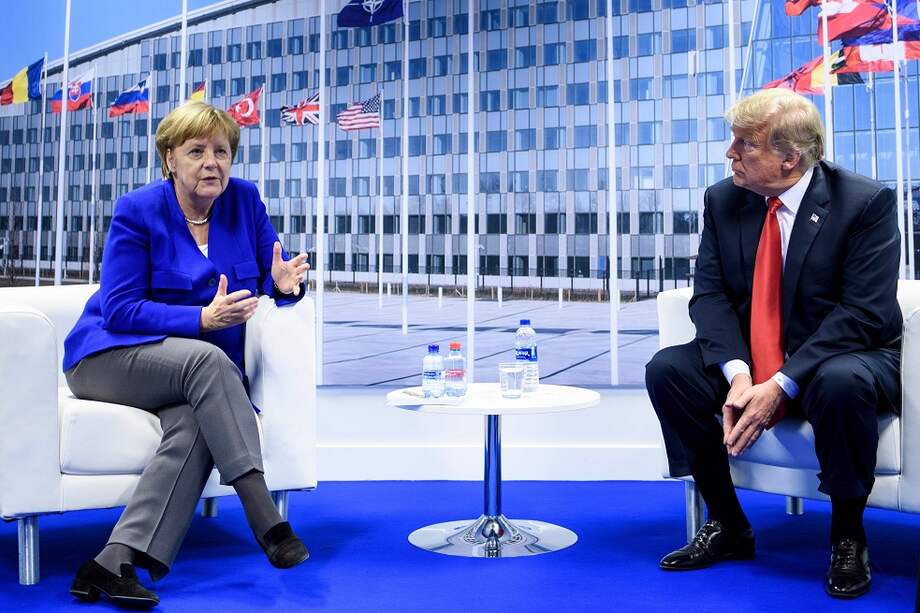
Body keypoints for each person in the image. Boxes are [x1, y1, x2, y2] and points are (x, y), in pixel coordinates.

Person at [646, 88, 901, 599]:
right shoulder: (724, 199)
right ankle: (728, 526)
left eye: (745, 144)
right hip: (756, 356)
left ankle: (847, 537)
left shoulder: (865, 202)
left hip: (847, 353)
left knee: (840, 379)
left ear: (790, 158)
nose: (730, 153)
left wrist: (782, 383)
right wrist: (740, 375)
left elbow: (862, 312)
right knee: (668, 369)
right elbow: (711, 295)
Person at [62, 101, 311, 609]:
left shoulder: (245, 202)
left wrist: (283, 287)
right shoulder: (138, 210)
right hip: (108, 358)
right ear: (169, 158)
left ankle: (112, 562)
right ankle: (265, 517)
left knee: (197, 419)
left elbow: (268, 277)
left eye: (221, 151)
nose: (211, 163)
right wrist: (200, 321)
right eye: (196, 151)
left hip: (190, 378)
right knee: (206, 360)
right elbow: (120, 309)